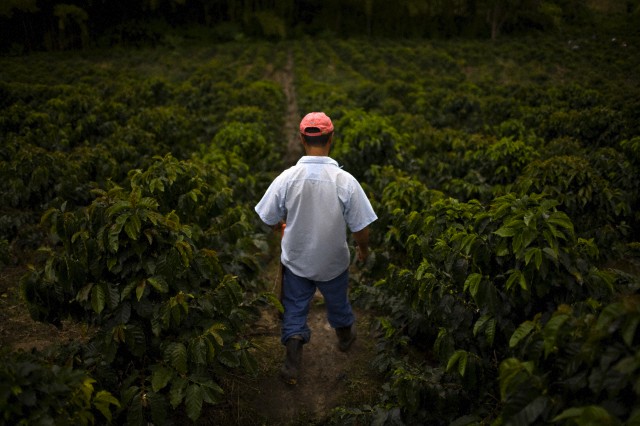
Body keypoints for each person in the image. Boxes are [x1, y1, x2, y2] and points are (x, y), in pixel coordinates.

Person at [254, 112, 378, 385]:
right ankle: (345, 337)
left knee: (295, 307)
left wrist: (279, 227)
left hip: (297, 260)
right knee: (338, 301)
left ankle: (292, 363)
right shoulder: (345, 181)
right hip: (333, 262)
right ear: (331, 138)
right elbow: (361, 226)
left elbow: (267, 216)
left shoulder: (288, 177)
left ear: (301, 139)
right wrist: (363, 249)